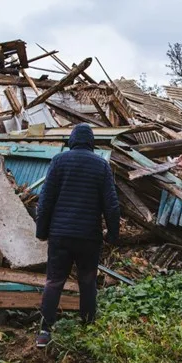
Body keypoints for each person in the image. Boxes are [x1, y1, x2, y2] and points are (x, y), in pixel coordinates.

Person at [34, 123, 120, 348]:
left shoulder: (59, 162)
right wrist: (112, 235)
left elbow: (45, 202)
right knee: (87, 281)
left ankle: (44, 331)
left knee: (54, 281)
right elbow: (111, 205)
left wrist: (41, 232)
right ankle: (88, 327)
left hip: (60, 235)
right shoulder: (101, 166)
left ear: (72, 141)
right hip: (88, 237)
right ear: (91, 143)